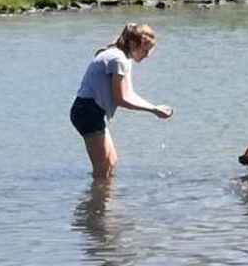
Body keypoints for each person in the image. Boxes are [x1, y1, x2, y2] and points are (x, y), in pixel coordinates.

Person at [72, 22, 173, 179]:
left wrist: (154, 108)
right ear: (133, 44)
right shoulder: (118, 60)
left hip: (90, 111)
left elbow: (129, 94)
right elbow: (122, 99)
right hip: (87, 111)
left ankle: (101, 192)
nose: (148, 55)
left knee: (111, 161)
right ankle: (98, 194)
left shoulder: (121, 57)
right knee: (103, 166)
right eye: (146, 50)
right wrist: (153, 110)